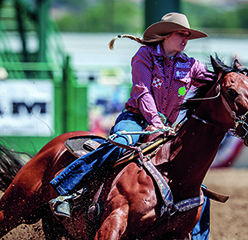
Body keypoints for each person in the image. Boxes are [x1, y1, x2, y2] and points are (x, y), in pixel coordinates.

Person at [50, 12, 213, 239]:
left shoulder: (191, 65)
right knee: (119, 143)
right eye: (180, 33)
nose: (185, 38)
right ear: (166, 34)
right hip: (135, 119)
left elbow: (215, 84)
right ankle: (67, 192)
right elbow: (142, 92)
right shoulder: (144, 56)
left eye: (187, 35)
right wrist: (156, 124)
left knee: (196, 188)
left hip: (167, 129)